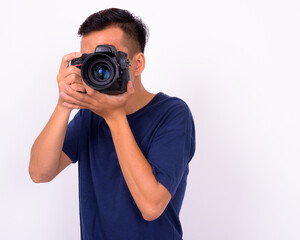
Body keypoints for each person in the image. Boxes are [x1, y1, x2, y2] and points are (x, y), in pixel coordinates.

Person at [29, 8, 195, 240]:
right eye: (91, 60)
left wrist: (114, 116)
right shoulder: (90, 115)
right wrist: (64, 103)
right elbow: (39, 173)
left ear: (137, 64)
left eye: (108, 58)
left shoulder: (172, 114)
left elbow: (151, 206)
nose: (100, 67)